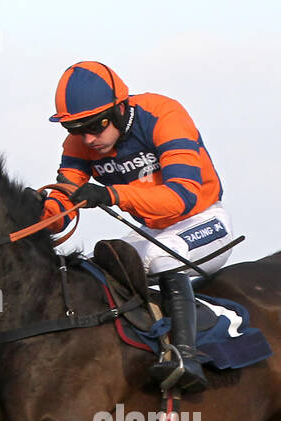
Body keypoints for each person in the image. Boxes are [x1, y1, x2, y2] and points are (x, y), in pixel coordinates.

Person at [43, 61, 231, 393]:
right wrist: (39, 211)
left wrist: (113, 194)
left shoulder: (164, 115)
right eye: (75, 129)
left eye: (97, 125)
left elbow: (181, 197)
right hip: (153, 233)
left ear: (118, 109)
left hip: (204, 221)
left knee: (163, 260)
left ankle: (186, 358)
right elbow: (65, 204)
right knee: (102, 265)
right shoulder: (81, 143)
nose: (88, 139)